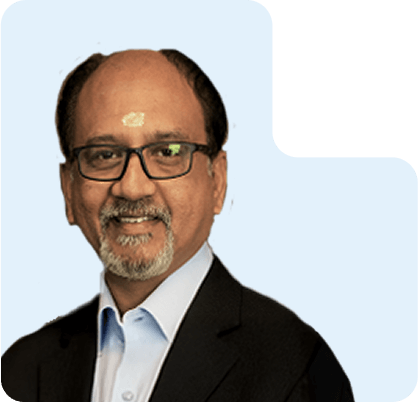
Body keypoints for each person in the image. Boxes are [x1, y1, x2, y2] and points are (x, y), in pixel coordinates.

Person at [1, 49, 355, 402]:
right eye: (104, 155)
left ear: (217, 181)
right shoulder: (21, 370)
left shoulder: (298, 371)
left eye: (168, 152)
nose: (132, 187)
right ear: (68, 189)